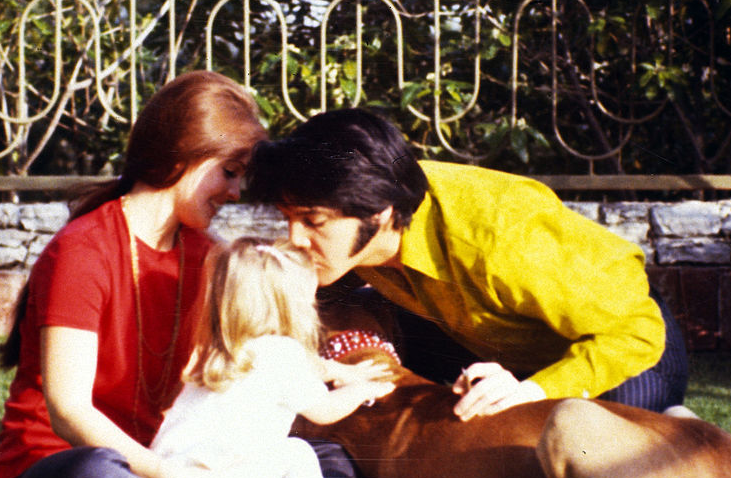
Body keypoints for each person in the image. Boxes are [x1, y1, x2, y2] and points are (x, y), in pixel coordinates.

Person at [0, 71, 360, 478]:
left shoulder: (208, 257)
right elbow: (68, 412)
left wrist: (338, 371)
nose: (235, 191)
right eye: (228, 171)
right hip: (75, 474)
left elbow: (256, 352)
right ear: (185, 155)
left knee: (328, 466)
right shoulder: (83, 250)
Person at [245, 108, 689, 420]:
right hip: (485, 339)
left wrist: (532, 392)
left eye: (312, 221)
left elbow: (634, 331)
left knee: (594, 436)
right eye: (288, 219)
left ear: (378, 214)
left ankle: (678, 426)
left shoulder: (500, 233)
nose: (294, 239)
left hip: (623, 337)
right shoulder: (354, 232)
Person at [151, 237, 431, 478]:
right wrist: (364, 389)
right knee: (296, 455)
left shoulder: (226, 351)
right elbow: (324, 410)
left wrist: (344, 371)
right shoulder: (285, 354)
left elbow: (314, 368)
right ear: (288, 306)